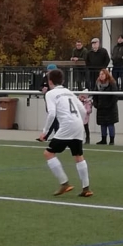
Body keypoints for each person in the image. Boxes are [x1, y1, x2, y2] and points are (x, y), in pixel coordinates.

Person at [38, 69, 92, 197]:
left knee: (48, 153)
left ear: (50, 81)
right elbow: (83, 110)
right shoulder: (69, 92)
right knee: (78, 155)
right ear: (62, 81)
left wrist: (45, 132)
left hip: (67, 125)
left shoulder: (50, 94)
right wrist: (79, 123)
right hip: (78, 124)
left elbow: (52, 113)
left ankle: (64, 183)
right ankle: (86, 188)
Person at [93, 68, 119, 145]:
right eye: (100, 74)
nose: (101, 76)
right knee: (102, 124)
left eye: (102, 74)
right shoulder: (97, 84)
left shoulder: (112, 83)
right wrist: (96, 104)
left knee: (110, 124)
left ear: (106, 75)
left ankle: (111, 140)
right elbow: (95, 95)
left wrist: (110, 105)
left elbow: (115, 96)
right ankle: (103, 139)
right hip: (101, 107)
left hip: (110, 108)